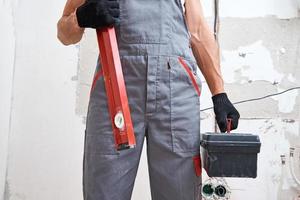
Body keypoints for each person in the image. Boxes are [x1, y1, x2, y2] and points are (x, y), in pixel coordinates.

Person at [57, 0, 240, 199]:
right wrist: (81, 17)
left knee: (180, 191)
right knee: (104, 191)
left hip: (175, 94)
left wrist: (219, 93)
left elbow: (197, 31)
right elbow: (64, 34)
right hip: (114, 92)